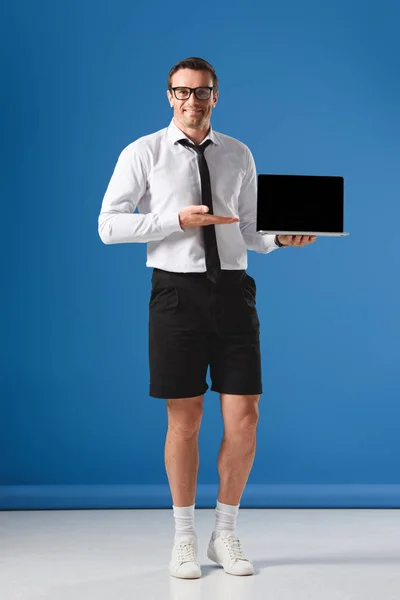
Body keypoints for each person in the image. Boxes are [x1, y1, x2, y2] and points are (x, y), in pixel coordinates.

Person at [98, 57, 317, 580]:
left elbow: (250, 229)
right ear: (169, 95)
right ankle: (183, 537)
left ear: (216, 95)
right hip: (176, 294)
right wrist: (175, 220)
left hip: (234, 294)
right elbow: (108, 225)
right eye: (182, 92)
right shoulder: (144, 152)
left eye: (202, 92)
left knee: (246, 417)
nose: (192, 101)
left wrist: (281, 238)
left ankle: (224, 532)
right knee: (186, 420)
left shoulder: (238, 154)